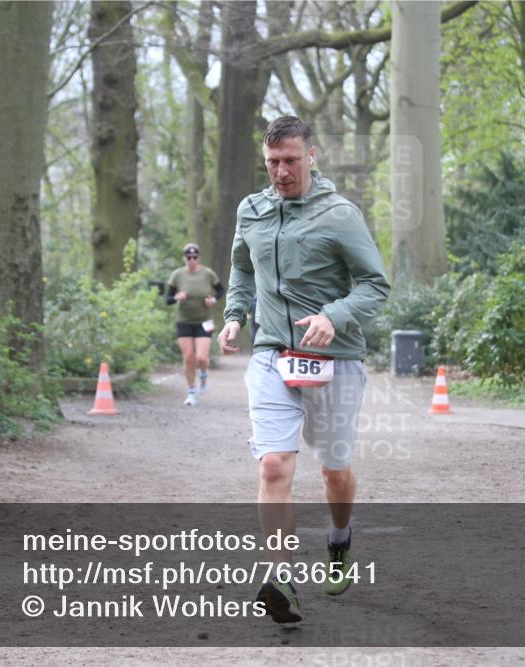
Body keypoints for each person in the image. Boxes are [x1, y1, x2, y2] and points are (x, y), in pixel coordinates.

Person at [218, 116, 390, 623]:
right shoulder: (251, 210)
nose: (281, 172)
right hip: (271, 355)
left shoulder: (340, 215)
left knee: (334, 471)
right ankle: (281, 579)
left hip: (334, 362)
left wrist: (333, 317)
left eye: (291, 160)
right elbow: (242, 268)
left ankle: (339, 541)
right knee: (274, 465)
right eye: (272, 162)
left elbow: (375, 286)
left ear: (312, 156)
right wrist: (233, 317)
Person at [165, 243, 224, 406]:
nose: (192, 260)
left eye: (195, 257)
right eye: (189, 257)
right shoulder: (177, 275)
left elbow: (221, 290)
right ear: (184, 258)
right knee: (189, 358)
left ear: (199, 258)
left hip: (205, 321)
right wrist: (178, 297)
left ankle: (203, 376)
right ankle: (191, 391)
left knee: (201, 358)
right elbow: (168, 299)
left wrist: (213, 299)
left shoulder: (208, 273)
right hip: (184, 321)